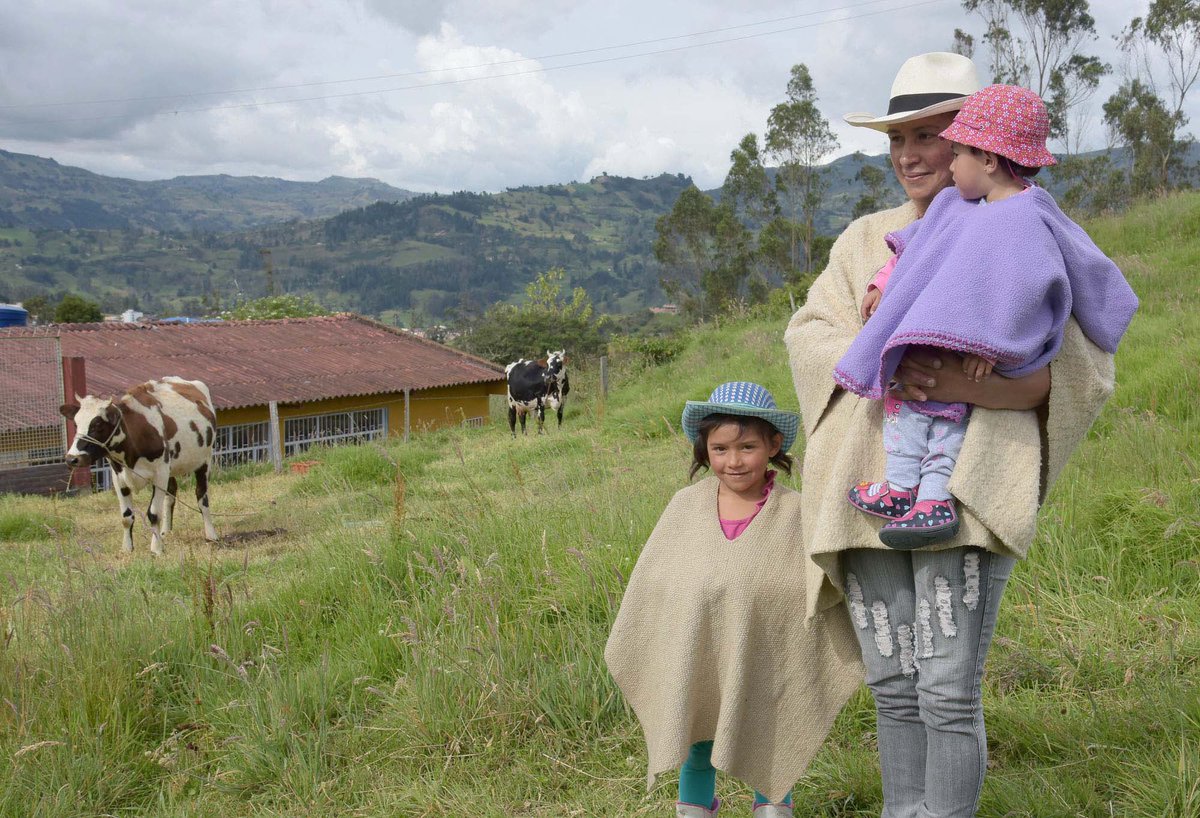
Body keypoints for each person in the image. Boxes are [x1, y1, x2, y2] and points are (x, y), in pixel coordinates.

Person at [784, 53, 1124, 818]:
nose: (909, 154)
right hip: (864, 492)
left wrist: (981, 387)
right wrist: (880, 346)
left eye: (930, 135)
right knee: (895, 685)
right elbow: (809, 334)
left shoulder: (1023, 231)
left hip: (967, 489)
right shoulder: (864, 240)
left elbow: (1077, 369)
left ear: (975, 142)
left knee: (944, 685)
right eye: (897, 139)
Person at [834, 84, 1138, 550]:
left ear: (989, 159)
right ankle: (900, 489)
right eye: (897, 139)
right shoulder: (950, 208)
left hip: (984, 417)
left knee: (947, 423)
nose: (911, 156)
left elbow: (1032, 286)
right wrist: (882, 282)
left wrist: (990, 349)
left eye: (942, 145)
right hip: (920, 352)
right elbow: (915, 251)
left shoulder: (1028, 217)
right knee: (908, 414)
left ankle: (933, 499)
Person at [605, 381, 863, 818]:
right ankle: (694, 810)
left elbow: (818, 584)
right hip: (699, 652)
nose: (734, 460)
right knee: (697, 740)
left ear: (773, 444)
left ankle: (773, 810)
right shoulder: (685, 507)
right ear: (704, 450)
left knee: (773, 735)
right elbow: (659, 583)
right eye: (720, 449)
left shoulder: (796, 511)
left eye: (747, 446)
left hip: (770, 652)